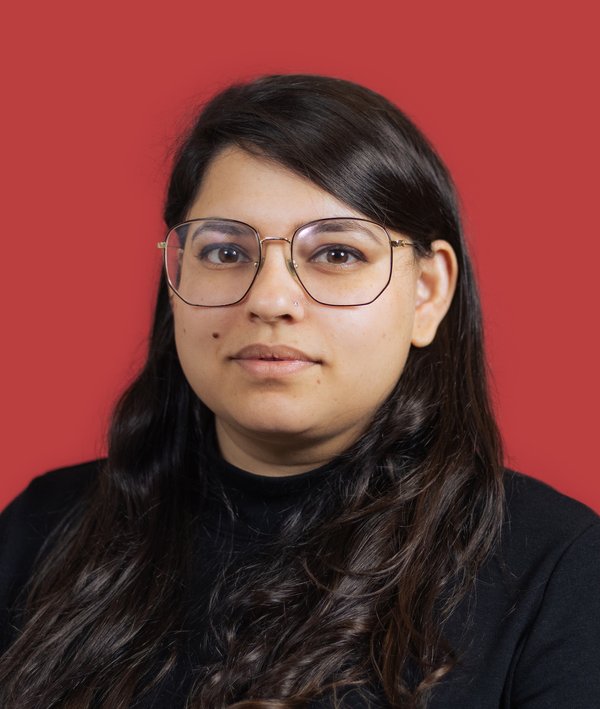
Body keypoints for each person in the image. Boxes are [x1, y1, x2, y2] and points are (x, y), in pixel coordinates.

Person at [0, 74, 598, 709]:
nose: (270, 300)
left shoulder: (557, 569)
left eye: (337, 254)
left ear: (427, 292)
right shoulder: (44, 528)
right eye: (226, 251)